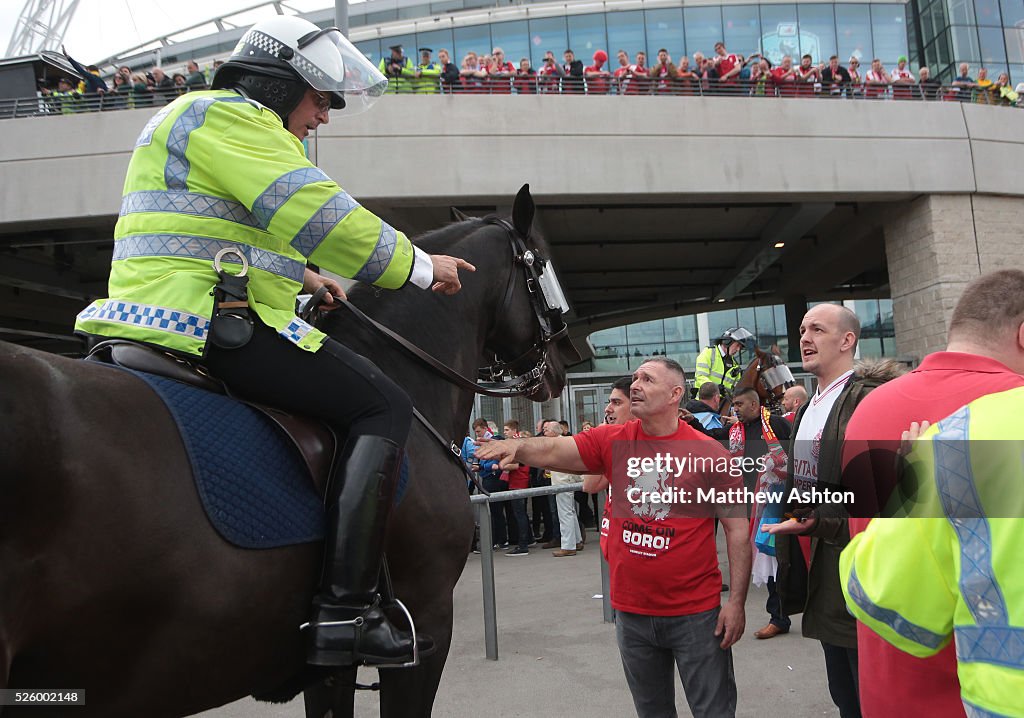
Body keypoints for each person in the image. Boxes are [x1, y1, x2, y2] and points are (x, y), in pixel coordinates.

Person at [74, 15, 474, 669]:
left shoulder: (205, 120)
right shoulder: (234, 118)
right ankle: (345, 612)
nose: (321, 117)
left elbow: (226, 229)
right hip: (200, 319)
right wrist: (424, 268)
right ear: (281, 82)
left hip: (175, 305)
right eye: (319, 99)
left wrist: (303, 276)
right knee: (383, 408)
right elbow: (317, 213)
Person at [476, 358, 751, 717]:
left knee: (713, 711)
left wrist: (737, 603)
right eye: (635, 377)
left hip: (696, 615)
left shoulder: (711, 455)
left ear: (675, 394)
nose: (636, 384)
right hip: (632, 613)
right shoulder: (613, 440)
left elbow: (737, 530)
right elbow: (559, 449)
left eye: (647, 379)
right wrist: (520, 447)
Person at [839, 269, 1024, 717]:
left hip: (888, 675)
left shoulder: (871, 406)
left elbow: (867, 559)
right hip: (971, 691)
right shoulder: (1005, 408)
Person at [767, 305, 904, 718]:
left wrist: (820, 516)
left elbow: (883, 498)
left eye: (818, 329)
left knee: (868, 696)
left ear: (847, 341)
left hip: (860, 569)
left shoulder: (867, 400)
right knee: (843, 692)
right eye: (803, 329)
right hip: (821, 567)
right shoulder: (811, 406)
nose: (805, 337)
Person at [728, 387, 792, 640]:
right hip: (751, 505)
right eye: (733, 404)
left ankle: (787, 613)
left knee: (780, 558)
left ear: (755, 405)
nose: (736, 409)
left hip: (778, 502)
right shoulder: (737, 431)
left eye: (739, 404)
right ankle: (779, 617)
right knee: (769, 558)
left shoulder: (776, 424)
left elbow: (796, 455)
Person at [693, 327, 755, 403]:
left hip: (722, 404)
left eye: (740, 347)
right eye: (737, 345)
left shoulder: (735, 366)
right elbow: (700, 377)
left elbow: (736, 388)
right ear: (728, 342)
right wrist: (716, 388)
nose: (738, 349)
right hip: (703, 401)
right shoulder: (708, 353)